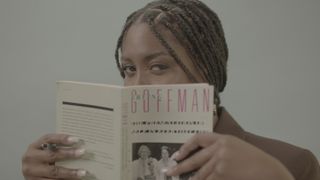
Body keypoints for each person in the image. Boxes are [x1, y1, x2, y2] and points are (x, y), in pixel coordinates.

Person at [22, 0, 320, 180]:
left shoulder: (291, 164)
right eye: (129, 69)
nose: (137, 87)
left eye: (158, 67)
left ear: (207, 70)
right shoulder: (100, 164)